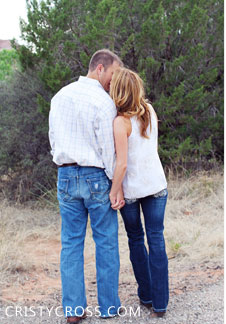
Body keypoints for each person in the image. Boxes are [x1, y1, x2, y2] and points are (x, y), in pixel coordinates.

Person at [49, 49, 123, 323]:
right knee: (105, 241)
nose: (113, 81)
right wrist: (115, 185)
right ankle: (109, 307)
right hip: (95, 176)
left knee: (70, 243)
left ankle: (73, 310)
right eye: (113, 74)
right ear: (100, 68)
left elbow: (53, 140)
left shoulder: (60, 96)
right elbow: (108, 151)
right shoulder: (104, 103)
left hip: (66, 175)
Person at [107, 68, 170, 318]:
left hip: (132, 191)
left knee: (136, 239)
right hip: (156, 185)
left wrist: (114, 190)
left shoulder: (120, 122)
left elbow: (121, 164)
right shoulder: (150, 112)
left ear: (118, 91)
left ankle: (146, 295)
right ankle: (161, 303)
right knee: (157, 239)